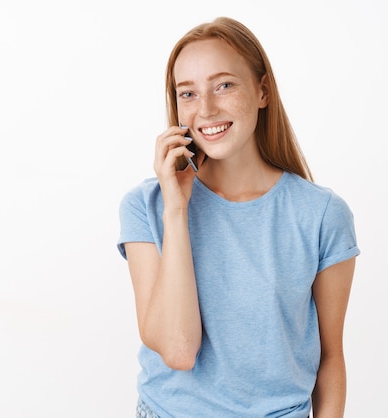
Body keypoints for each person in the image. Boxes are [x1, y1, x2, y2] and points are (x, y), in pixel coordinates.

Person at [117, 17, 360, 418]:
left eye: (224, 85)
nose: (206, 109)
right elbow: (179, 350)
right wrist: (176, 210)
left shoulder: (321, 215)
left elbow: (330, 358)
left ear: (262, 90)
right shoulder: (146, 206)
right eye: (188, 93)